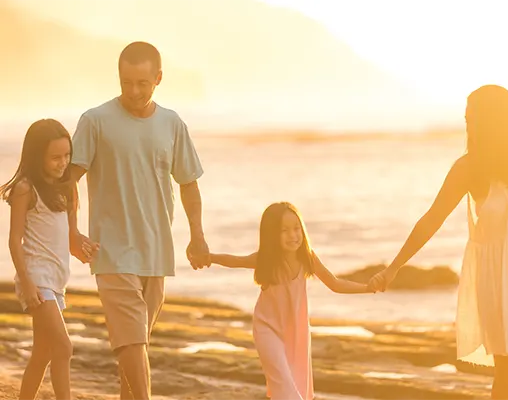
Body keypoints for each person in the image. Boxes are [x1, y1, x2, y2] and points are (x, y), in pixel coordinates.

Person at [369, 85, 508, 399]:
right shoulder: (468, 168)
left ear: (497, 119)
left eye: (474, 118)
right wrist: (394, 267)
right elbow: (431, 219)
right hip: (499, 278)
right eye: (467, 119)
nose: (469, 125)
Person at [68, 41, 209, 400]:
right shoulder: (95, 121)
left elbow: (189, 184)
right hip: (111, 250)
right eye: (126, 82)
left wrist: (197, 236)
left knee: (135, 346)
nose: (133, 91)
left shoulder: (172, 123)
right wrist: (71, 231)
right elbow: (69, 179)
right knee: (132, 341)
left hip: (157, 251)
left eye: (142, 83)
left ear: (158, 79)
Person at [209, 202, 375, 400]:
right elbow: (235, 261)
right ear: (272, 234)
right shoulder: (267, 259)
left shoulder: (308, 258)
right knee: (285, 387)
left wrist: (367, 288)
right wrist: (208, 257)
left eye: (297, 228)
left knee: (295, 387)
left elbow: (335, 284)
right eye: (284, 230)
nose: (293, 235)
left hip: (296, 332)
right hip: (267, 329)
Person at [0, 119, 98, 400]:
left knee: (42, 353)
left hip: (56, 281)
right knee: (63, 348)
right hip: (36, 278)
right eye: (55, 157)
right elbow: (13, 240)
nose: (63, 163)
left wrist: (85, 249)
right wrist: (27, 284)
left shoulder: (68, 188)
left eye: (67, 155)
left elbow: (71, 236)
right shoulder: (25, 189)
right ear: (36, 156)